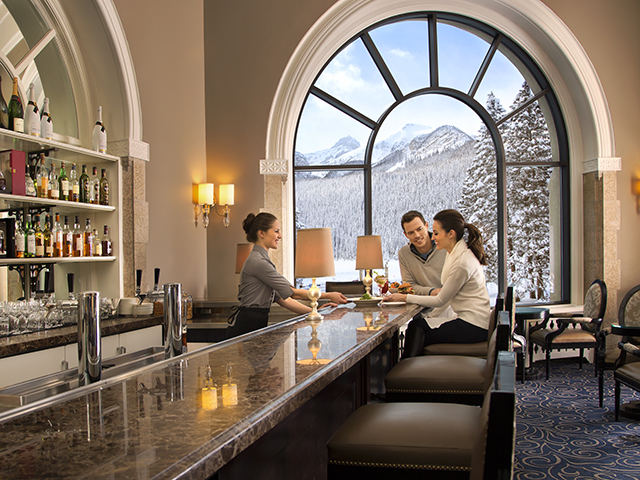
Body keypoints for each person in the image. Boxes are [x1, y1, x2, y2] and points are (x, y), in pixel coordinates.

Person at [383, 209, 490, 358]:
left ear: (450, 234)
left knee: (419, 339)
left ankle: (408, 369)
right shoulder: (455, 253)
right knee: (415, 327)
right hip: (467, 319)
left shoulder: (461, 263)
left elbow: (440, 300)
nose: (433, 237)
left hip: (473, 324)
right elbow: (412, 285)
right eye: (411, 232)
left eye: (436, 233)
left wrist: (404, 297)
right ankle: (407, 367)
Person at [226, 212, 348, 339]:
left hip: (253, 323)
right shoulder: (258, 262)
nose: (280, 236)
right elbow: (292, 293)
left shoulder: (261, 260)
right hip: (246, 326)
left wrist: (315, 312)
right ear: (261, 233)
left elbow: (284, 299)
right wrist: (329, 295)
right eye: (276, 231)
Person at [398, 210, 448, 318]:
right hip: (421, 311)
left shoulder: (445, 247)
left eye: (419, 229)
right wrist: (431, 291)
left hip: (447, 308)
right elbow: (410, 286)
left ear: (426, 225)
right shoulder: (404, 253)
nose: (417, 235)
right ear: (405, 235)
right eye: (411, 233)